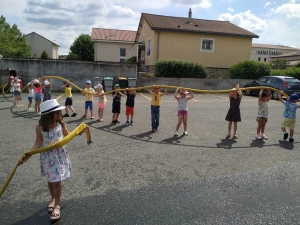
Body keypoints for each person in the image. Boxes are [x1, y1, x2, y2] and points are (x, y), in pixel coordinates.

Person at [18, 99, 87, 221]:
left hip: (59, 156)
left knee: (57, 181)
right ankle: (53, 198)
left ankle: (57, 205)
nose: (59, 114)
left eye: (59, 112)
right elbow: (37, 144)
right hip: (47, 157)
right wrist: (26, 156)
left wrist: (79, 132)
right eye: (56, 112)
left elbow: (68, 135)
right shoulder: (39, 128)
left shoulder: (61, 124)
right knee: (51, 180)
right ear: (48, 114)